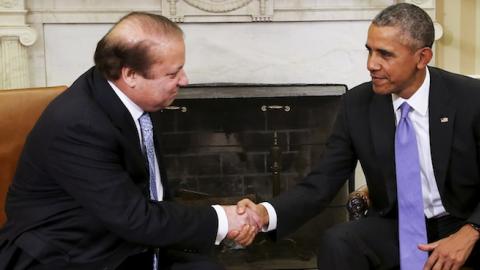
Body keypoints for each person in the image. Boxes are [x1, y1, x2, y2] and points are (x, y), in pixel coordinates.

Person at [0, 12, 259, 270]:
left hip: (122, 237)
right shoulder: (79, 125)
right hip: (69, 253)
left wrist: (224, 225)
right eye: (172, 73)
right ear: (131, 75)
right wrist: (223, 220)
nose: (184, 80)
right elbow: (136, 219)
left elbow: (151, 196)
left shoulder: (130, 97)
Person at [237, 3, 480, 269]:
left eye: (385, 54)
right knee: (339, 241)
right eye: (370, 51)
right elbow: (322, 181)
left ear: (422, 58)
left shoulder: (470, 98)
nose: (371, 64)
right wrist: (264, 213)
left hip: (465, 221)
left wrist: (471, 230)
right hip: (397, 227)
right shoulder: (357, 104)